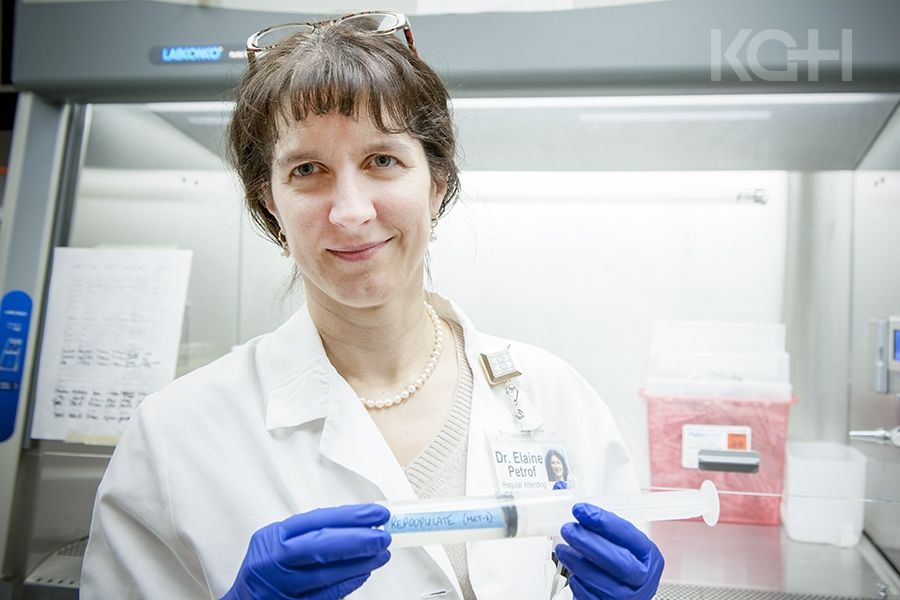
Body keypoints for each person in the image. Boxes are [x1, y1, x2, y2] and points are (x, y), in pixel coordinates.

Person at [81, 11, 663, 600]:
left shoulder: (552, 394)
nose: (351, 210)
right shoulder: (176, 435)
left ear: (435, 185)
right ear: (272, 206)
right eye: (308, 170)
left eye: (382, 160)